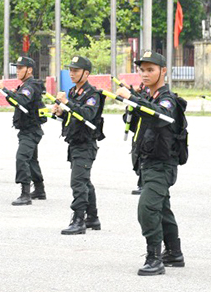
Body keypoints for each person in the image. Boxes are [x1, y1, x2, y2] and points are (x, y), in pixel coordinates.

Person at [117, 51, 186, 275]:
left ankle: (154, 257)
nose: (145, 74)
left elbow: (160, 115)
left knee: (147, 208)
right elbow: (139, 120)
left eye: (151, 70)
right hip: (147, 163)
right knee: (162, 208)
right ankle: (174, 253)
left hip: (161, 164)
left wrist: (133, 99)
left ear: (163, 71)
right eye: (142, 70)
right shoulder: (149, 97)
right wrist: (133, 104)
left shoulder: (167, 99)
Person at [52, 55, 104, 235]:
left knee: (78, 182)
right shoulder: (73, 92)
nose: (71, 73)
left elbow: (87, 115)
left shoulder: (92, 95)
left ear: (86, 73)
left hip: (86, 143)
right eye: (70, 70)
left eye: (76, 70)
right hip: (74, 142)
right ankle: (93, 217)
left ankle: (78, 219)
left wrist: (67, 103)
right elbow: (71, 117)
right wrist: (60, 112)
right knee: (84, 181)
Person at [9, 57, 46, 206]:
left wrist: (7, 92)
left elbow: (22, 101)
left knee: (22, 158)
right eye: (16, 68)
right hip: (28, 129)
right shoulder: (26, 85)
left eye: (20, 68)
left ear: (29, 70)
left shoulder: (29, 86)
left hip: (31, 130)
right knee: (31, 160)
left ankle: (25, 194)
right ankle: (39, 190)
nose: (17, 71)